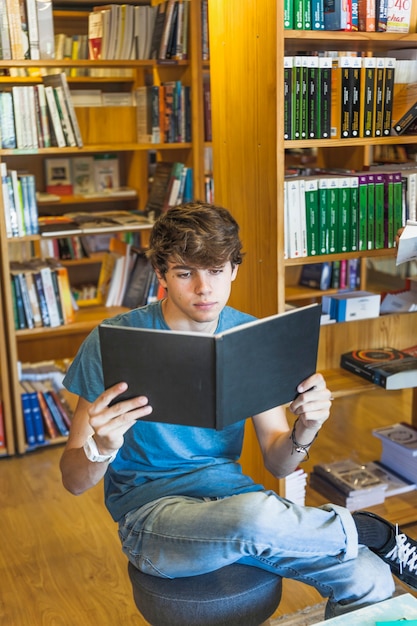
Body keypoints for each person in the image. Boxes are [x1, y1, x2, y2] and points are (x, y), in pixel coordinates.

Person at [60, 202, 417, 619]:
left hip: (236, 500)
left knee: (370, 577)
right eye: (184, 273)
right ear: (161, 275)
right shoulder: (111, 342)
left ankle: (365, 541)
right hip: (154, 516)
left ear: (233, 269)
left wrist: (306, 428)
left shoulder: (251, 336)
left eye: (215, 270)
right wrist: (101, 447)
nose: (203, 289)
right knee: (254, 518)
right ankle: (370, 531)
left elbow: (278, 463)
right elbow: (72, 480)